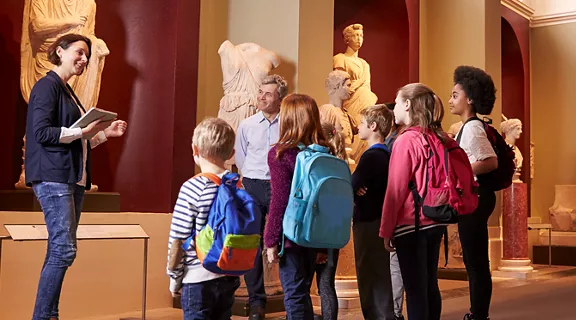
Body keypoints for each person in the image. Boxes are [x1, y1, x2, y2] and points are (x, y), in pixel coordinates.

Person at [25, 33, 127, 320]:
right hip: (53, 177)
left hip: (70, 178)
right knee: (64, 250)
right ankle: (43, 316)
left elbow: (76, 140)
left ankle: (48, 314)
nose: (84, 59)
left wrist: (104, 134)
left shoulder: (67, 91)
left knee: (59, 251)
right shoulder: (47, 86)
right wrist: (83, 131)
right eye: (80, 52)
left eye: (87, 55)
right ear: (60, 51)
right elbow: (42, 133)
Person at [380, 83, 449, 320]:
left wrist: (386, 229)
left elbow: (396, 190)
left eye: (397, 101)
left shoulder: (405, 141)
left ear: (407, 104)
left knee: (415, 289)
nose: (395, 107)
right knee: (430, 285)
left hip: (411, 224)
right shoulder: (438, 137)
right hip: (436, 218)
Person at [264, 94, 335, 320]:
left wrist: (270, 240)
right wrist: (325, 245)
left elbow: (280, 200)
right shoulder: (325, 152)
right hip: (321, 234)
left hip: (293, 236)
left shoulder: (281, 154)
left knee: (294, 295)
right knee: (303, 291)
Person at [166, 117, 240, 320]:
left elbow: (178, 238)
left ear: (195, 150)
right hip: (228, 273)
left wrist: (174, 276)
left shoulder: (192, 188)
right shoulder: (236, 185)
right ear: (231, 154)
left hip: (197, 277)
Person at [234, 74, 288, 319]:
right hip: (253, 184)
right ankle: (257, 303)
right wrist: (250, 179)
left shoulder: (288, 124)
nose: (261, 97)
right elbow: (241, 157)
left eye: (268, 93)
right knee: (251, 243)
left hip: (280, 185)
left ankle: (292, 297)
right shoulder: (247, 125)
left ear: (280, 98)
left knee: (286, 241)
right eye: (260, 92)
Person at [449, 66, 498, 320]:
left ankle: (478, 314)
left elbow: (490, 161)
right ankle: (478, 311)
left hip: (476, 197)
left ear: (469, 99)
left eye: (455, 95)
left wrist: (462, 171)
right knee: (475, 260)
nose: (450, 100)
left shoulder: (472, 128)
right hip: (476, 196)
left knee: (476, 261)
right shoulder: (466, 127)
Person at [352, 104, 396, 320]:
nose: (358, 127)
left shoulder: (372, 156)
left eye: (361, 123)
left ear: (373, 125)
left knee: (370, 275)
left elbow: (352, 184)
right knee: (380, 273)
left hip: (368, 220)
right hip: (380, 218)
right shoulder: (387, 154)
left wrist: (354, 186)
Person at [312, 122, 348, 320]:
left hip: (314, 234)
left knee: (303, 287)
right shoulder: (340, 166)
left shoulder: (316, 166)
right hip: (334, 235)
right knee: (327, 286)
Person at [383, 102, 406, 320]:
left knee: (396, 264)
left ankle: (395, 312)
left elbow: (394, 184)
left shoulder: (396, 141)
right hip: (422, 214)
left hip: (402, 212)